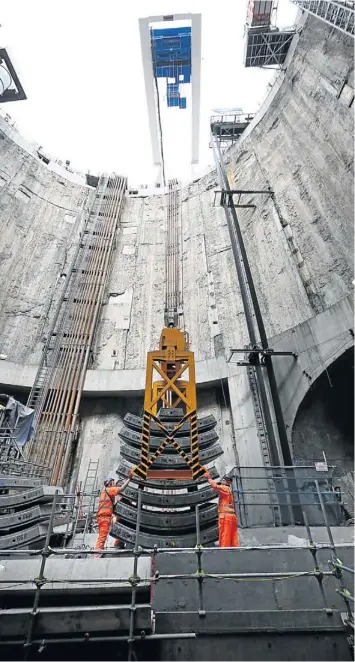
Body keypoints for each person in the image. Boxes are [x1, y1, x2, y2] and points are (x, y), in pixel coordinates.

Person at [94, 471, 134, 557]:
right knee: (102, 537)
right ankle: (97, 555)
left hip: (102, 517)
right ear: (109, 483)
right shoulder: (109, 490)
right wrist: (129, 479)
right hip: (105, 518)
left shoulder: (104, 492)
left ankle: (100, 552)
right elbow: (121, 489)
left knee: (102, 536)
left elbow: (111, 504)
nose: (114, 484)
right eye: (113, 482)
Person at [203, 467, 239, 548]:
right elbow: (218, 490)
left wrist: (208, 478)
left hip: (225, 517)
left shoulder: (225, 488)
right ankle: (235, 552)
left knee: (225, 536)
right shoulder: (228, 490)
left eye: (224, 480)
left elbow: (215, 486)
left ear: (228, 482)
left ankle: (224, 553)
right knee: (233, 537)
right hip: (232, 517)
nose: (223, 480)